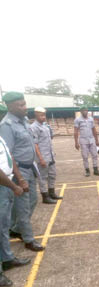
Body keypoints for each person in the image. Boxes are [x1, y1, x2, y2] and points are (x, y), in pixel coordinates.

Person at [0, 92, 44, 252]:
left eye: (25, 103)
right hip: (20, 171)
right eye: (20, 105)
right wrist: (20, 178)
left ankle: (16, 228)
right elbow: (8, 154)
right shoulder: (7, 126)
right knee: (23, 206)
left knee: (33, 200)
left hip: (30, 167)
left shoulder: (23, 121)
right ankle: (28, 239)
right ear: (10, 106)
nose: (25, 107)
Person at [0, 135, 31, 287]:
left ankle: (7, 259)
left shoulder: (1, 137)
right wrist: (14, 186)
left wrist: (18, 178)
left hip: (7, 183)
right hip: (3, 185)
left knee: (4, 226)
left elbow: (9, 158)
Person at [30, 107, 62, 204]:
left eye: (44, 115)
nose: (43, 117)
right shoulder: (33, 127)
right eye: (41, 115)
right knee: (43, 177)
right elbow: (35, 145)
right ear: (36, 115)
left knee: (52, 174)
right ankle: (45, 196)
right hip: (42, 156)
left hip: (50, 155)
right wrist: (40, 158)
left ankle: (51, 193)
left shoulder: (45, 126)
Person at [74, 105, 99, 177]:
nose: (85, 111)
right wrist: (76, 142)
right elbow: (76, 131)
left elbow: (94, 129)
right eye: (83, 110)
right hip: (83, 140)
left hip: (91, 139)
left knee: (95, 155)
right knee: (85, 156)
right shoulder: (77, 120)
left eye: (86, 110)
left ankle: (95, 170)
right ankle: (87, 171)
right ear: (81, 111)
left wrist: (97, 140)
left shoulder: (91, 119)